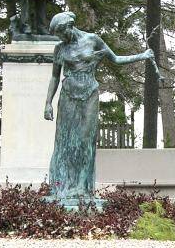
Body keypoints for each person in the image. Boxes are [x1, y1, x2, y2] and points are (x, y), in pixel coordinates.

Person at [43, 12, 154, 201]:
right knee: (65, 142)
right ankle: (62, 185)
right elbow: (55, 76)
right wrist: (47, 103)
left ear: (69, 27)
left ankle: (81, 186)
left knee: (85, 140)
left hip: (89, 94)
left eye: (61, 34)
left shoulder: (92, 40)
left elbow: (116, 59)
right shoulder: (60, 48)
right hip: (68, 95)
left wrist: (142, 55)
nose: (61, 38)